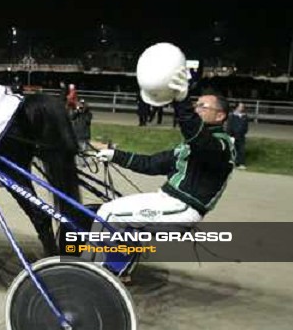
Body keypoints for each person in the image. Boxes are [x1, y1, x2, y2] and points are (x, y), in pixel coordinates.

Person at [96, 68, 235, 225]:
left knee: (107, 214)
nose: (197, 109)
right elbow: (151, 163)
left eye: (203, 106)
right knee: (106, 209)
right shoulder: (190, 145)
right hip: (166, 199)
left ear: (220, 115)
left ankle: (90, 250)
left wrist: (182, 101)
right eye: (196, 105)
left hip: (184, 207)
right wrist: (115, 155)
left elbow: (198, 138)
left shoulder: (222, 146)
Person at [226, 102, 249, 169]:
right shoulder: (232, 115)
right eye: (241, 106)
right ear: (237, 107)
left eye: (243, 106)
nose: (242, 108)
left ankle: (241, 163)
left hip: (241, 136)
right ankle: (233, 163)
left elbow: (246, 126)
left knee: (241, 149)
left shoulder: (244, 116)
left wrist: (244, 132)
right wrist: (230, 135)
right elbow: (229, 126)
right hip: (233, 135)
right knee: (233, 149)